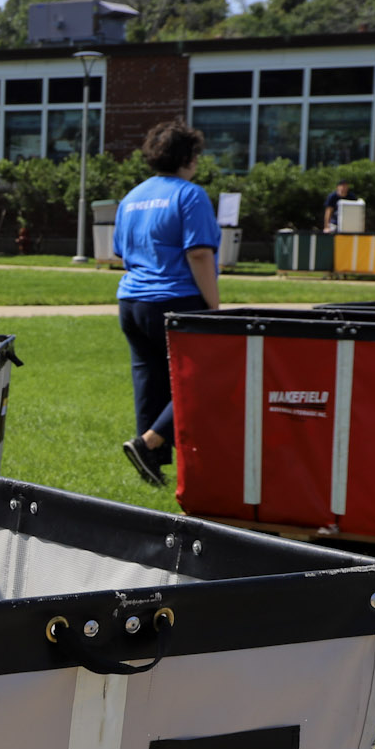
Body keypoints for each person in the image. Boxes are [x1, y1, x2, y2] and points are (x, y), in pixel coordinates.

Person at [113, 120, 221, 488]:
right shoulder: (189, 195)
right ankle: (148, 444)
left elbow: (120, 252)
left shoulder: (132, 197)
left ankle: (152, 467)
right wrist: (213, 306)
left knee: (150, 380)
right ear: (188, 156)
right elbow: (200, 255)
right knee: (203, 379)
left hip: (131, 302)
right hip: (176, 299)